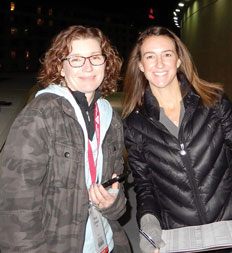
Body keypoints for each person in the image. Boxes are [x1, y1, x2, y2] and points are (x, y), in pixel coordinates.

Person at [0, 25, 131, 253]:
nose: (88, 66)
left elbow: (118, 197)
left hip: (106, 243)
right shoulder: (40, 115)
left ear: (105, 63)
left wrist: (112, 202)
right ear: (61, 67)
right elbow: (14, 205)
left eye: (95, 57)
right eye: (76, 59)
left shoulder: (111, 119)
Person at [122, 25, 232, 253]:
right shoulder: (135, 125)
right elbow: (145, 187)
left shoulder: (214, 104)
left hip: (228, 229)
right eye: (150, 57)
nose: (159, 64)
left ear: (179, 60)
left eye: (167, 54)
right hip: (181, 239)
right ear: (141, 65)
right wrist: (150, 226)